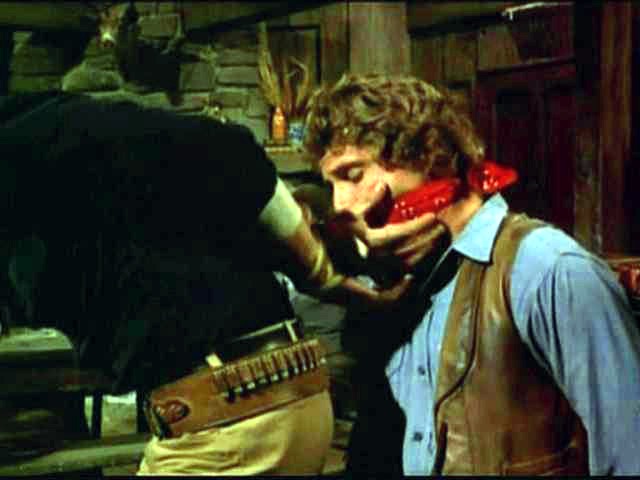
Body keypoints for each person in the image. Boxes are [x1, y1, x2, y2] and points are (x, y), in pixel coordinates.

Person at [0, 91, 412, 475]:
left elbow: (227, 148)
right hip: (253, 406)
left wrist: (324, 276)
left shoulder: (28, 136)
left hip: (234, 420)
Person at [302, 73, 640, 475]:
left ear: (425, 155)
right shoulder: (404, 283)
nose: (342, 204)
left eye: (353, 175)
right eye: (331, 184)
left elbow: (630, 452)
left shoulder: (548, 270)